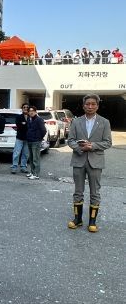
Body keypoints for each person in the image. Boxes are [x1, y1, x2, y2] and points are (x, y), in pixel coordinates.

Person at [67, 94, 112, 232]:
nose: (90, 106)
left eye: (93, 104)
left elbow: (108, 142)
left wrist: (92, 146)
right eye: (87, 104)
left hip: (96, 161)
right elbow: (70, 140)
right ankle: (78, 219)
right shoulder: (76, 122)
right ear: (83, 106)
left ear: (97, 106)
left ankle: (92, 222)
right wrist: (79, 148)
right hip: (78, 160)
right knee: (78, 191)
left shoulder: (104, 122)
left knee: (95, 192)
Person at [26, 106, 46, 180]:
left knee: (35, 158)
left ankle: (36, 174)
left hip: (36, 141)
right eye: (29, 111)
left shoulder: (39, 119)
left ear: (35, 111)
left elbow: (43, 130)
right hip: (29, 140)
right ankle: (32, 172)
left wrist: (39, 138)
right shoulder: (29, 119)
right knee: (31, 158)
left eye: (32, 111)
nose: (31, 112)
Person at [10, 103, 29, 174]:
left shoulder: (31, 117)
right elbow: (19, 126)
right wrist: (25, 125)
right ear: (22, 108)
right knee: (16, 153)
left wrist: (24, 124)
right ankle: (14, 167)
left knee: (26, 154)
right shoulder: (18, 117)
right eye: (24, 107)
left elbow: (31, 127)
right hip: (20, 138)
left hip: (28, 139)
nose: (25, 108)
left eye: (27, 107)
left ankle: (23, 167)